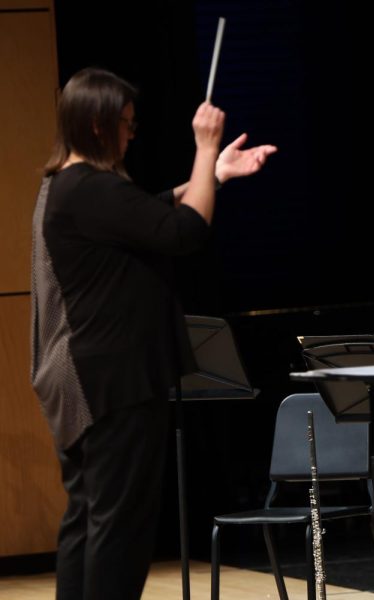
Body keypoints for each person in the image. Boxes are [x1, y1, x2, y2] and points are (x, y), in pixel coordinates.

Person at [30, 67, 276, 600]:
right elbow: (183, 231)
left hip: (90, 380)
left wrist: (215, 174)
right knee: (119, 527)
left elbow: (147, 212)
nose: (130, 134)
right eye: (125, 124)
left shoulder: (68, 185)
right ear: (96, 125)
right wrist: (205, 148)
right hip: (114, 380)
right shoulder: (89, 187)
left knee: (90, 517)